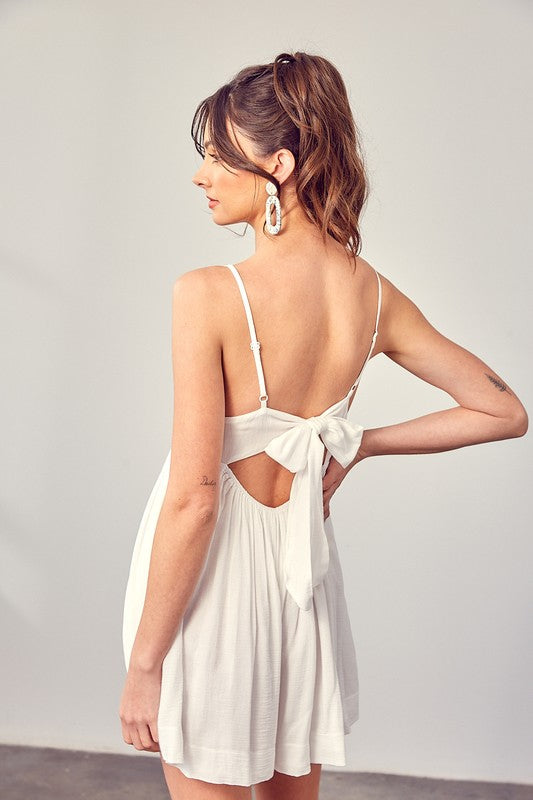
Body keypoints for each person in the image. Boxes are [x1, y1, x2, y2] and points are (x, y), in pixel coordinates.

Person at [119, 51, 528, 800]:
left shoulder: (207, 294)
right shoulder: (371, 295)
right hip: (298, 588)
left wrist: (145, 665)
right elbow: (503, 409)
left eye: (215, 156)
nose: (199, 175)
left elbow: (195, 499)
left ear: (276, 164)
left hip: (210, 593)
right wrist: (361, 442)